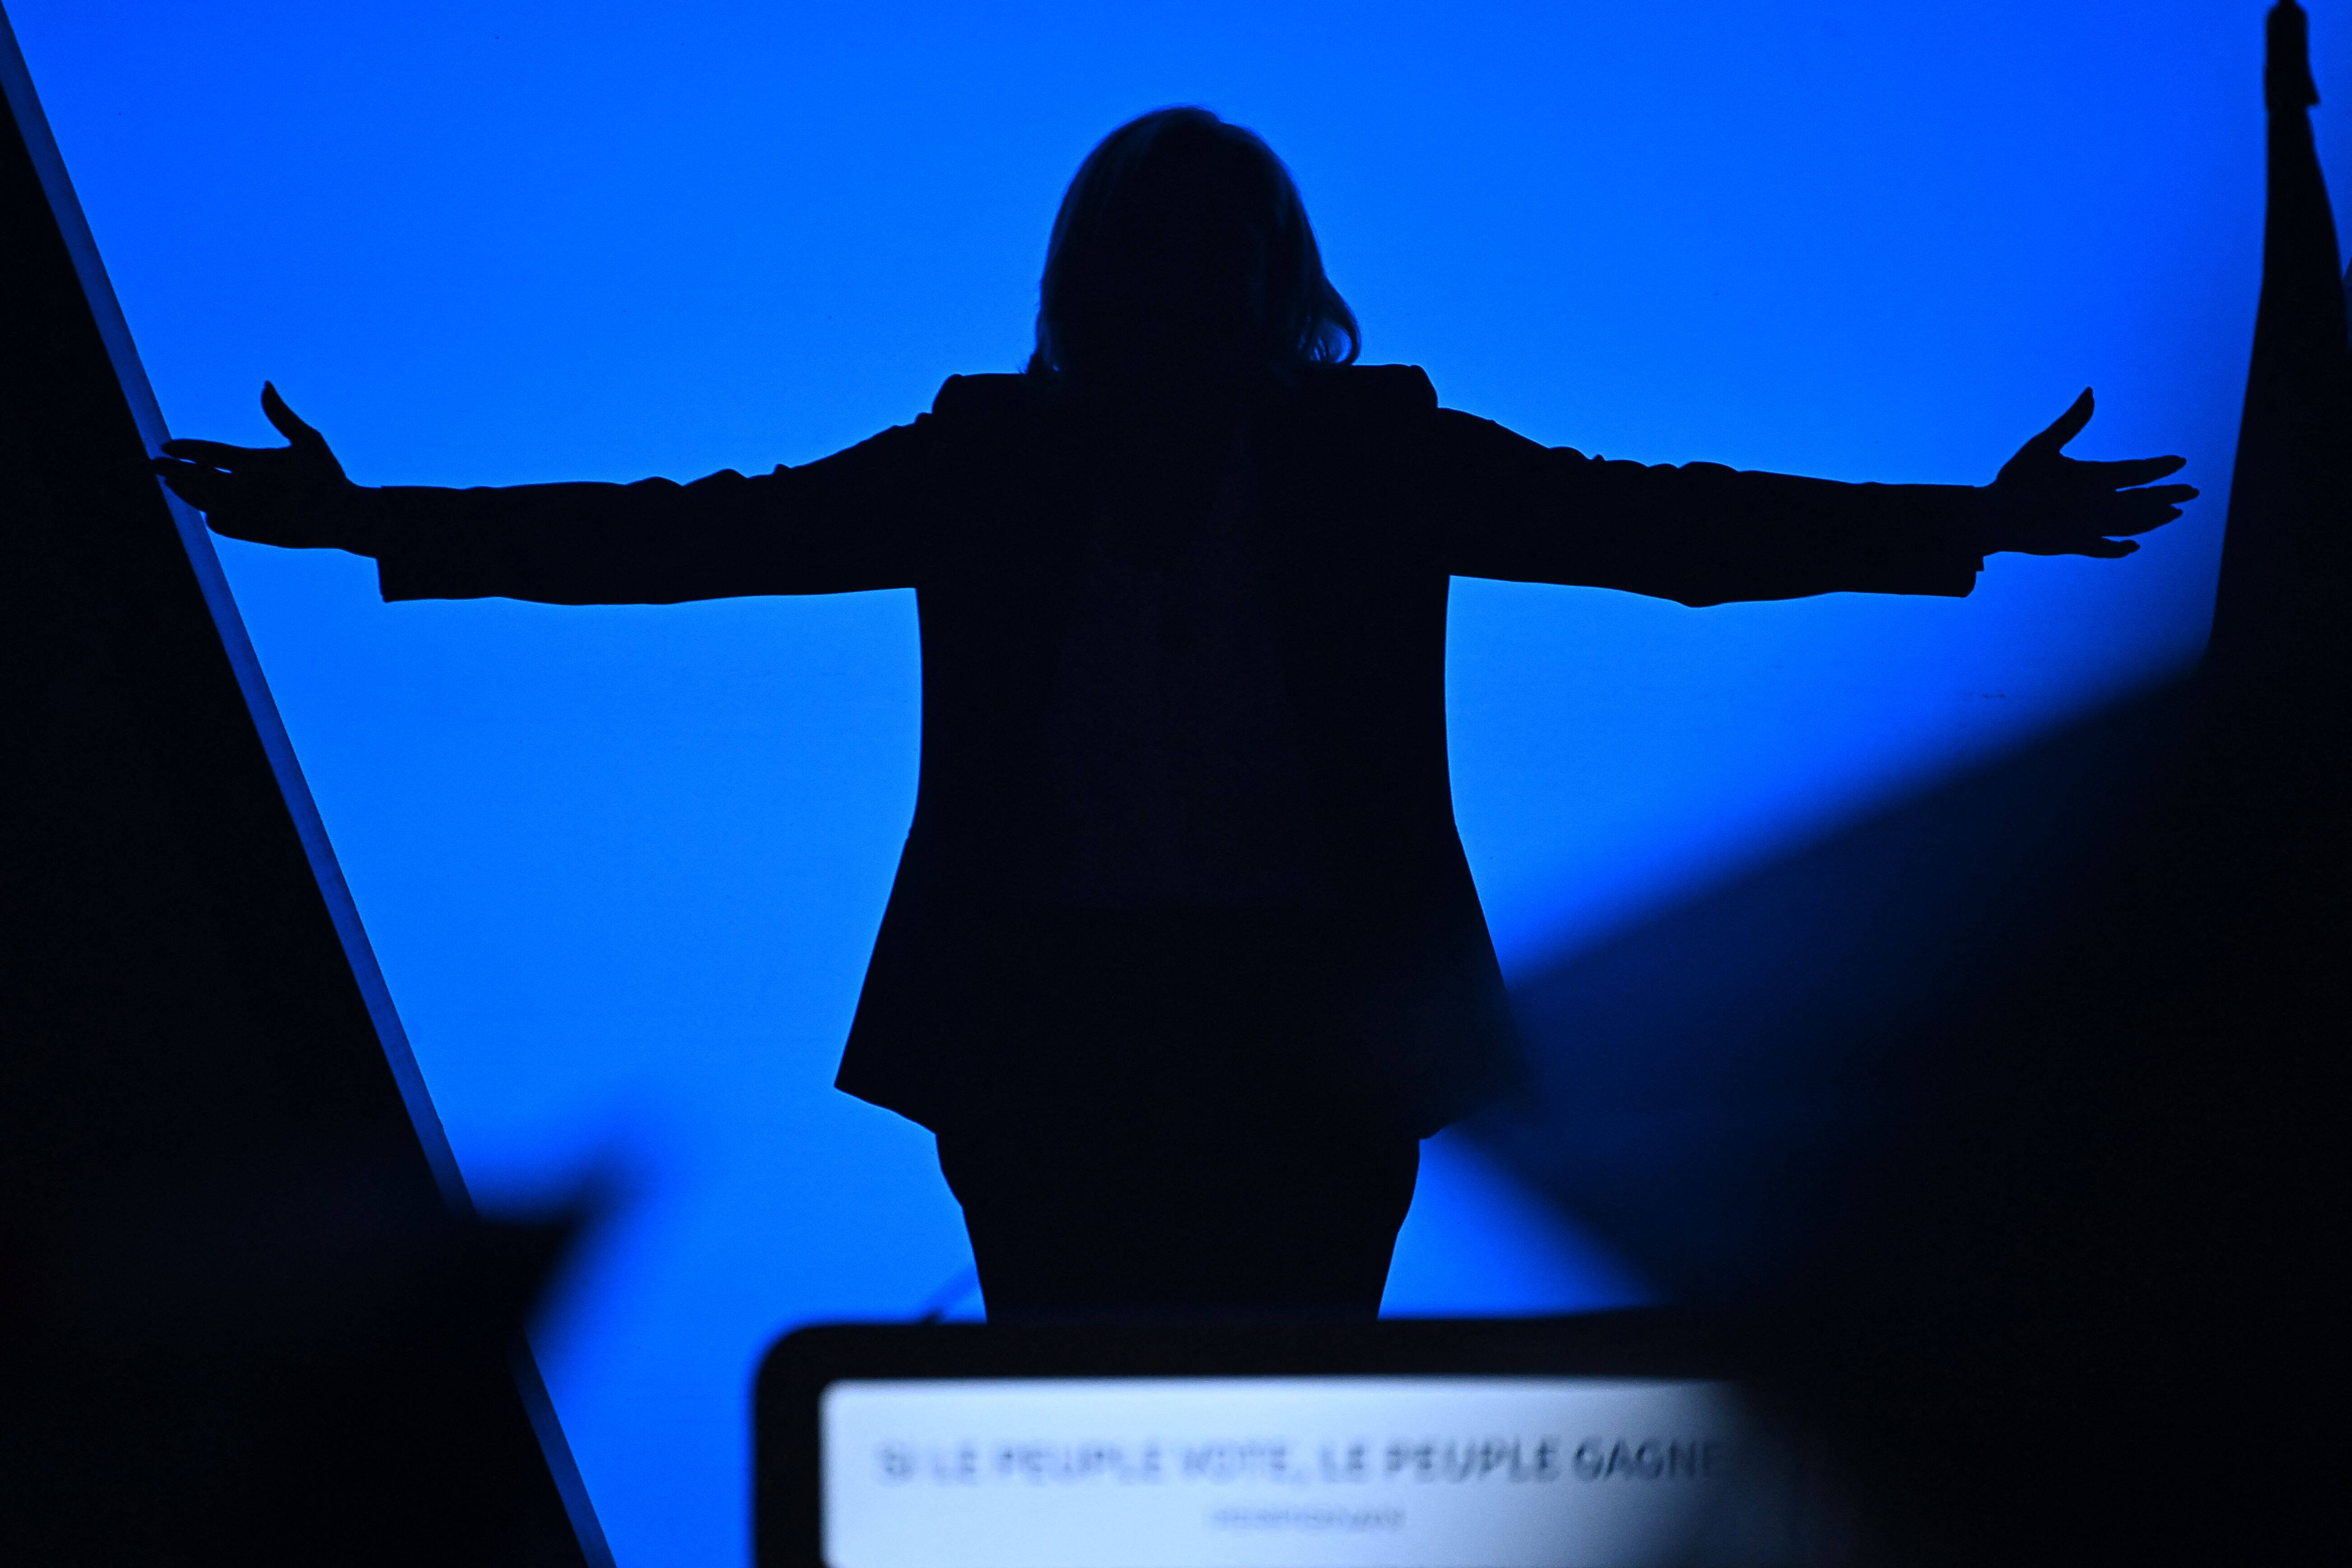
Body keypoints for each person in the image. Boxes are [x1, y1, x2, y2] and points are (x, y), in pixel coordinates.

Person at [154, 107, 2194, 1321]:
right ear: (1091, 280)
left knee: (1285, 1418)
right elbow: (689, 539)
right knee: (1074, 1418)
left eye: (1205, 257)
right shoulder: (989, 461)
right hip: (1049, 1018)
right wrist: (366, 520)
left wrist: (1971, 523)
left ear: (1264, 277)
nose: (1171, 293)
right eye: (1142, 258)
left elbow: (1654, 527)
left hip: (1313, 1014)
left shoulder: (1373, 456)